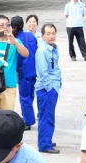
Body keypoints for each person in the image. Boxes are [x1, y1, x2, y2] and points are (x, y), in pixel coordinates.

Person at [35, 23, 61, 154]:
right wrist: (50, 88)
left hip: (52, 86)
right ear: (42, 36)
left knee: (48, 115)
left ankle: (46, 139)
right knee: (46, 116)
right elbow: (42, 72)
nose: (51, 36)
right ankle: (44, 144)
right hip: (46, 89)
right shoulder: (42, 51)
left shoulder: (52, 47)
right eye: (48, 34)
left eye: (53, 33)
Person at [11, 16, 38, 130]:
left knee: (25, 97)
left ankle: (27, 120)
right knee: (30, 95)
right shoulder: (31, 36)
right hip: (34, 70)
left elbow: (18, 58)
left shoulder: (16, 39)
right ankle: (29, 116)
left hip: (24, 72)